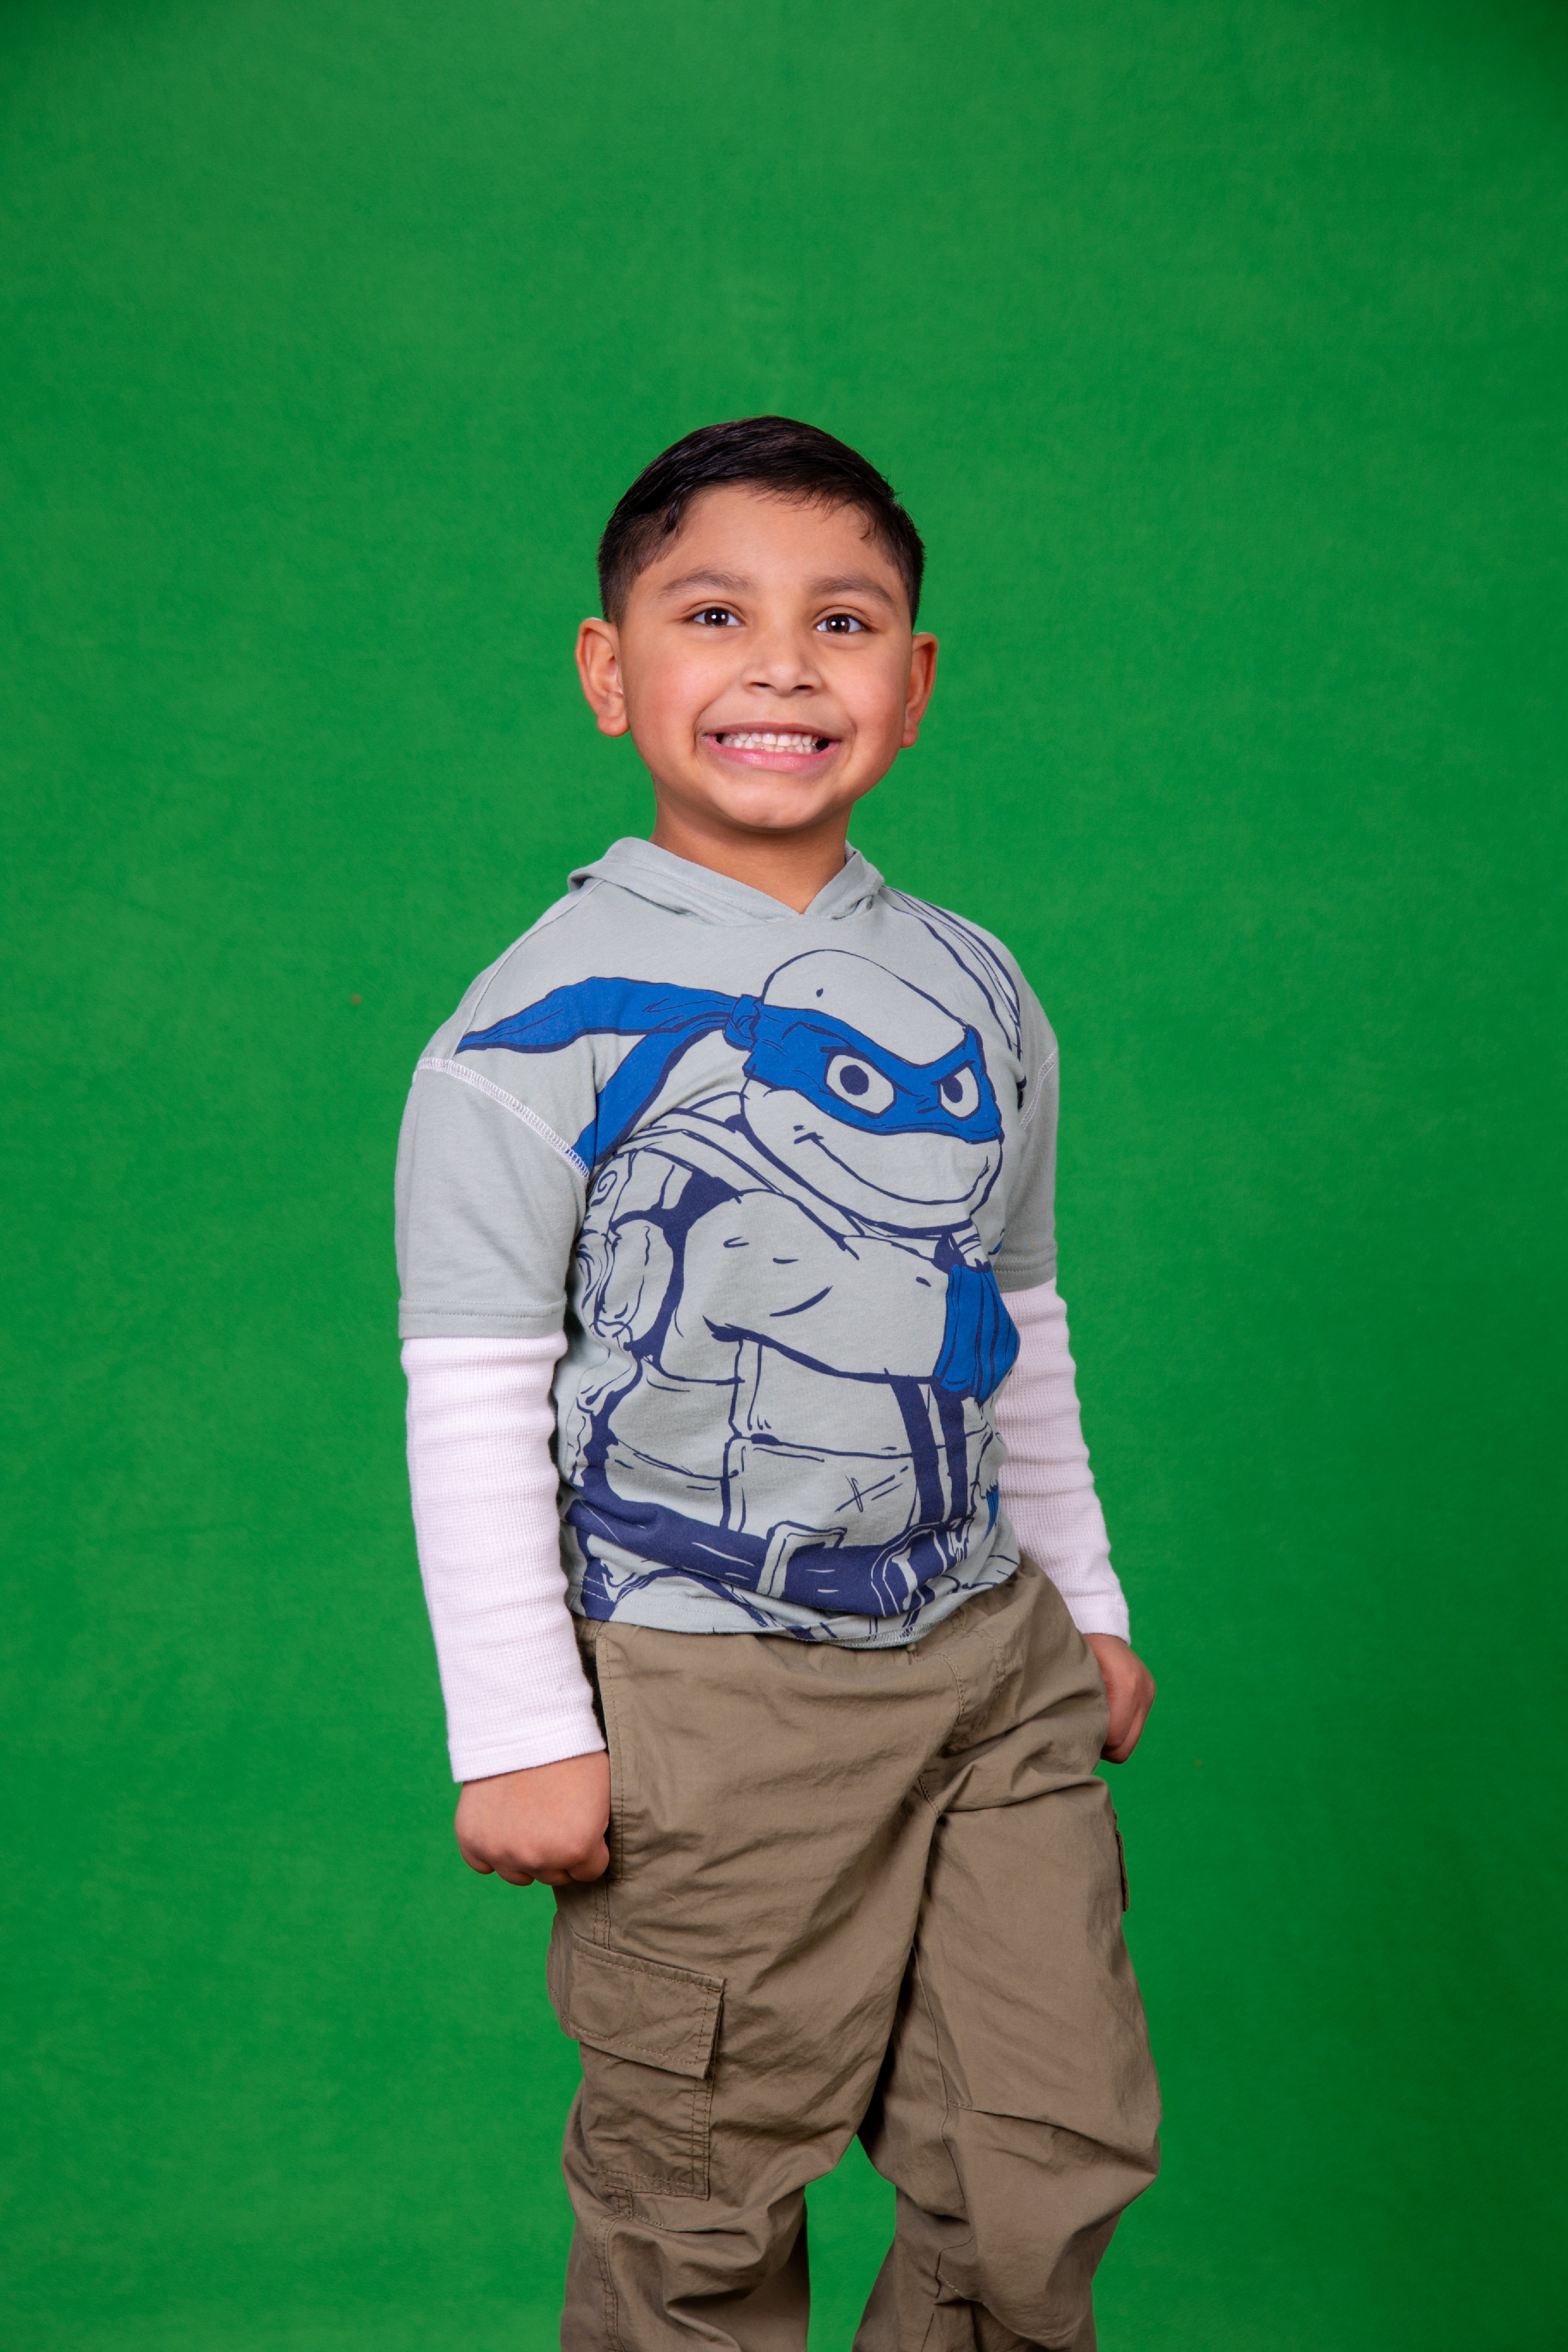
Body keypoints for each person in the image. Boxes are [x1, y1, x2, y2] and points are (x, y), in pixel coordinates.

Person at [395, 417, 1161, 2352]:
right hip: (709, 1686)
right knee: (703, 2195)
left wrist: (1082, 1600)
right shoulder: (526, 1031)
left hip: (985, 1656)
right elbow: (475, 1392)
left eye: (844, 619)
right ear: (610, 671)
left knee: (1045, 2149)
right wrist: (519, 1726)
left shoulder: (981, 985)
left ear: (915, 679)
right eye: (714, 614)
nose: (784, 665)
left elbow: (1016, 1313)